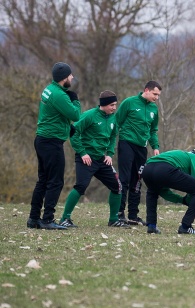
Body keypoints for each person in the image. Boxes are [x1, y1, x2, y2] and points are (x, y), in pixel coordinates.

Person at [58, 91, 130, 228]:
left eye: (115, 104)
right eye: (111, 105)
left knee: (117, 186)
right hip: (86, 158)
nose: (114, 108)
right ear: (103, 104)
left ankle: (113, 220)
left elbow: (113, 136)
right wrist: (83, 152)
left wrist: (109, 153)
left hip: (102, 159)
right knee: (81, 186)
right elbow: (73, 132)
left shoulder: (113, 118)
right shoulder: (89, 116)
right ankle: (65, 219)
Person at [27, 62, 82, 230]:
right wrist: (75, 101)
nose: (72, 78)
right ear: (64, 78)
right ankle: (47, 219)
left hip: (42, 139)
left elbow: (55, 114)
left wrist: (67, 128)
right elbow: (75, 115)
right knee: (55, 181)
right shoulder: (59, 95)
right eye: (70, 76)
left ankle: (33, 219)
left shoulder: (49, 89)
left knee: (43, 180)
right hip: (51, 142)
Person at [116, 81, 162, 225]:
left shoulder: (154, 109)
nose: (156, 97)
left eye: (158, 95)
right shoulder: (129, 103)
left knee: (137, 181)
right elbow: (116, 123)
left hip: (142, 148)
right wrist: (108, 145)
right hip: (126, 144)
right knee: (124, 179)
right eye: (155, 94)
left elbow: (153, 130)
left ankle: (133, 215)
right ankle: (119, 214)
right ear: (146, 90)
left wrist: (155, 146)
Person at [142, 149, 195, 234]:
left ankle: (151, 226)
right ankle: (186, 227)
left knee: (152, 192)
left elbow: (164, 192)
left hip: (147, 168)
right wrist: (191, 199)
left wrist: (182, 200)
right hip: (164, 168)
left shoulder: (179, 156)